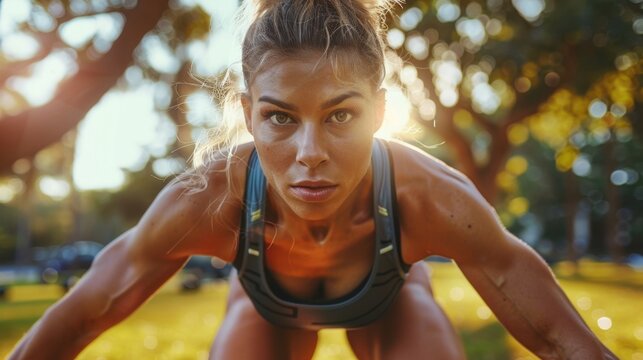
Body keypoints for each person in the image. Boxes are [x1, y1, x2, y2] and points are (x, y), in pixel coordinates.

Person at [10, 0, 616, 359]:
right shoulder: (209, 199)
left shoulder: (428, 196)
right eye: (279, 117)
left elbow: (563, 342)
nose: (310, 154)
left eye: (341, 116)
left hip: (390, 299)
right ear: (247, 113)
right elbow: (86, 311)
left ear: (380, 111)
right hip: (265, 304)